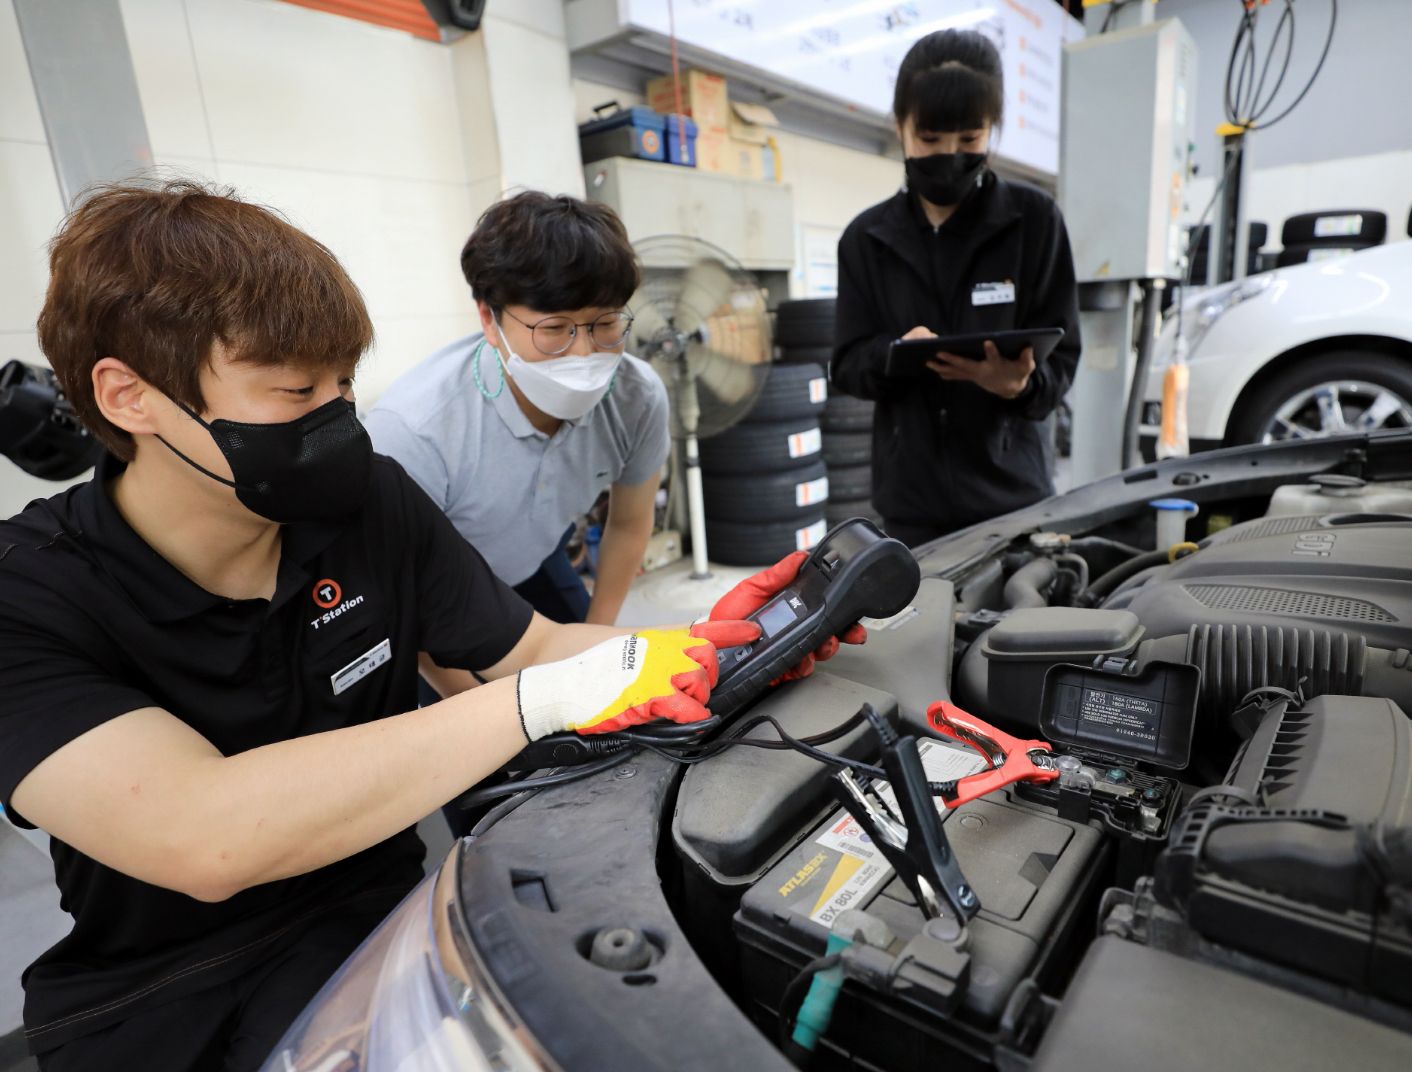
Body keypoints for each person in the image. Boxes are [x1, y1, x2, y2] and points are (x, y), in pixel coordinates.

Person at [0, 181, 857, 1071]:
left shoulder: (370, 505)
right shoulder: (28, 595)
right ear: (129, 396)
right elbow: (204, 833)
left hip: (374, 927)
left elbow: (529, 648)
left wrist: (715, 646)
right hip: (159, 998)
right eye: (296, 390)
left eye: (343, 382)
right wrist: (538, 701)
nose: (337, 416)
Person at [365, 191, 667, 628]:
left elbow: (629, 525)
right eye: (555, 328)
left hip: (535, 560)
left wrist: (597, 638)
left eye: (605, 323)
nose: (584, 353)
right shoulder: (415, 430)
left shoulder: (638, 397)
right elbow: (399, 590)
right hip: (436, 590)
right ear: (489, 319)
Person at [831, 29, 1082, 548]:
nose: (949, 155)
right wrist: (895, 355)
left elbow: (1062, 358)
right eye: (929, 139)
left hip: (1013, 500)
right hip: (911, 504)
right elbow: (848, 363)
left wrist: (1020, 386)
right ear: (899, 126)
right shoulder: (865, 240)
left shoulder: (1034, 223)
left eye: (970, 140)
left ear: (992, 129)